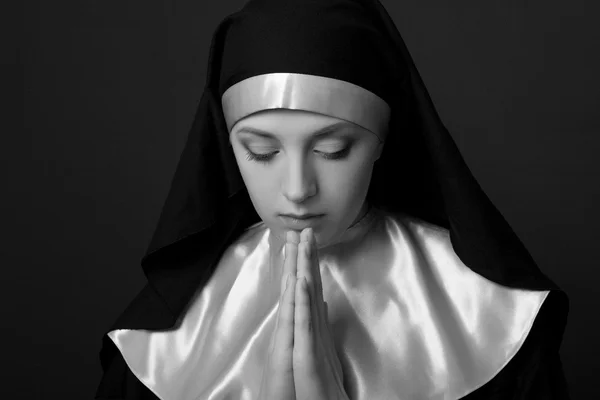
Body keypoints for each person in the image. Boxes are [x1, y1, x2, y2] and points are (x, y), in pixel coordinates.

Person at [95, 0, 570, 399]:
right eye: (261, 152)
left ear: (381, 139)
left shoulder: (490, 320)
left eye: (333, 150)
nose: (298, 189)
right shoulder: (160, 347)